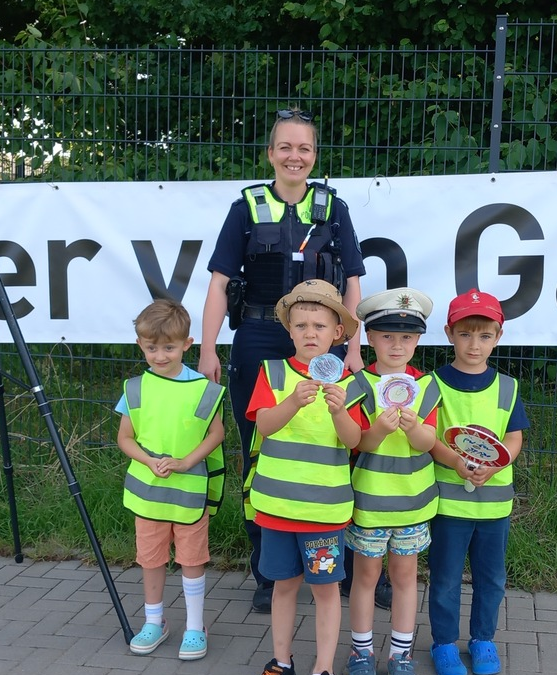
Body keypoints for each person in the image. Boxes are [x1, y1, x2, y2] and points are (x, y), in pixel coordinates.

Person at [197, 106, 388, 614]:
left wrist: (352, 343)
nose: (294, 156)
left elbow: (351, 280)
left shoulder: (335, 208)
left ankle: (346, 565)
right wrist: (208, 347)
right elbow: (219, 282)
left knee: (343, 442)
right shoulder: (245, 208)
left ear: (314, 155)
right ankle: (268, 570)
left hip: (322, 338)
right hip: (260, 337)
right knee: (258, 445)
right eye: (285, 147)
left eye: (304, 148)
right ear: (270, 154)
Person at [246, 280, 370, 675]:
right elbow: (263, 426)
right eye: (301, 326)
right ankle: (282, 660)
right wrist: (291, 403)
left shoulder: (351, 383)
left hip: (325, 511)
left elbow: (355, 442)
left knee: (325, 590)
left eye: (319, 326)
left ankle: (323, 666)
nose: (309, 333)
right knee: (283, 587)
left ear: (337, 333)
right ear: (289, 330)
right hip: (276, 507)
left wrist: (337, 412)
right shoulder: (274, 372)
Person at [115, 299, 226, 661]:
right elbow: (125, 438)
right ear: (140, 345)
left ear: (187, 345)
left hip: (189, 493)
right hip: (148, 494)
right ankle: (154, 622)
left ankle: (195, 627)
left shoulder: (204, 389)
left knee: (192, 560)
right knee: (151, 559)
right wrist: (150, 461)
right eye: (151, 348)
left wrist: (184, 462)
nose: (160, 355)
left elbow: (216, 434)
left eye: (169, 347)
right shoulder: (135, 388)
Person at [426, 289, 530, 675]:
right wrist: (455, 461)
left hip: (494, 505)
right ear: (449, 332)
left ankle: (483, 639)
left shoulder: (508, 386)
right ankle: (444, 644)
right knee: (446, 579)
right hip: (449, 505)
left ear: (498, 337)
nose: (475, 344)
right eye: (466, 334)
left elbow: (515, 437)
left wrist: (497, 464)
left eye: (485, 336)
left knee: (491, 578)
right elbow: (429, 437)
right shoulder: (433, 385)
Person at [344, 288, 440, 675]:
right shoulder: (358, 385)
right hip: (369, 501)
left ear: (417, 340)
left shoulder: (428, 387)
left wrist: (415, 428)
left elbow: (429, 443)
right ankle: (361, 652)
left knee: (404, 577)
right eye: (387, 336)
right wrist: (379, 431)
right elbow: (356, 444)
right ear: (370, 338)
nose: (396, 344)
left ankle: (401, 653)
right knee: (365, 578)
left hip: (414, 500)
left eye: (406, 337)